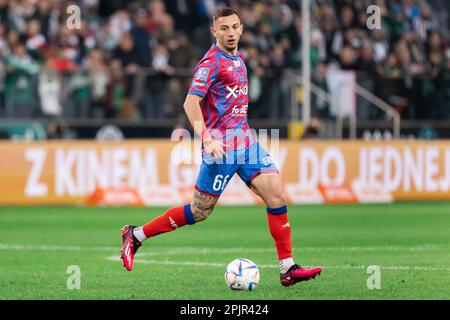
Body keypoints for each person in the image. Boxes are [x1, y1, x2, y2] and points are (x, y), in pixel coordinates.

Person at [120, 7, 322, 287]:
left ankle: (287, 268)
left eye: (235, 27)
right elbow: (190, 104)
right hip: (221, 149)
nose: (230, 33)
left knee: (276, 196)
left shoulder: (239, 59)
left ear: (241, 29)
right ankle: (136, 234)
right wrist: (207, 138)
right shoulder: (210, 63)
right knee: (199, 211)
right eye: (224, 28)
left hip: (246, 143)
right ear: (214, 31)